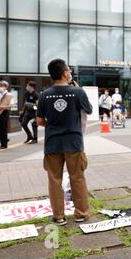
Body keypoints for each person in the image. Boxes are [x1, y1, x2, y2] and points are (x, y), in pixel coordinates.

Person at [36, 59, 93, 226]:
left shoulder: (45, 95)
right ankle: (81, 213)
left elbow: (39, 121)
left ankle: (58, 216)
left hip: (52, 142)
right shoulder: (77, 92)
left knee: (54, 179)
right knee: (77, 177)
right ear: (65, 73)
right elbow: (89, 110)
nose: (70, 72)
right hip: (74, 142)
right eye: (68, 70)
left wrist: (53, 126)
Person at [0, 81, 14, 150]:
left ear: (6, 87)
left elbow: (10, 106)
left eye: (2, 86)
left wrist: (2, 107)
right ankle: (5, 139)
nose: (0, 87)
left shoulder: (9, 95)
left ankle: (3, 144)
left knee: (2, 129)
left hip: (4, 113)